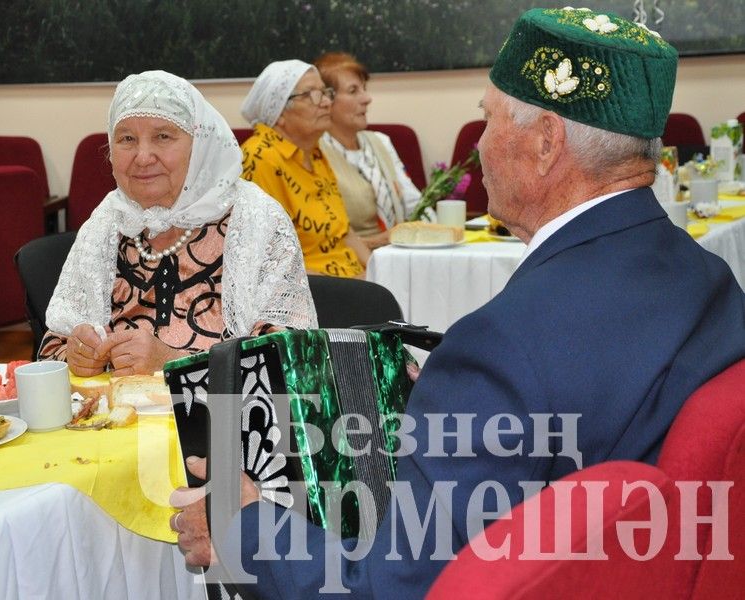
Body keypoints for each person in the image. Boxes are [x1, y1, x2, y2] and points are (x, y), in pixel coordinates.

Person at [171, 8, 745, 597]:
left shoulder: (503, 351)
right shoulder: (706, 275)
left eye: (487, 119)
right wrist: (457, 407)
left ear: (546, 142)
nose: (480, 145)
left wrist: (242, 523)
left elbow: (384, 588)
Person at [41, 70, 317, 376]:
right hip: (116, 415)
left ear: (199, 145)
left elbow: (292, 363)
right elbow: (52, 347)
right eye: (127, 139)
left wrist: (175, 364)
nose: (143, 156)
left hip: (221, 419)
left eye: (163, 136)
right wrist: (75, 355)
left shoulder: (257, 219)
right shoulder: (108, 220)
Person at [240, 59, 370, 278]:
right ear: (279, 111)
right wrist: (358, 288)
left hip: (352, 283)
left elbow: (344, 233)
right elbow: (266, 265)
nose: (327, 102)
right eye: (311, 94)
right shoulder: (259, 158)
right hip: (311, 293)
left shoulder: (315, 152)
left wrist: (380, 274)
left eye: (325, 92)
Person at [314, 52, 423, 249]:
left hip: (399, 254)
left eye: (364, 89)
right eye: (353, 91)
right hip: (351, 267)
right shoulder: (314, 151)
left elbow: (415, 205)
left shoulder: (381, 142)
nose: (367, 98)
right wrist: (379, 241)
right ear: (326, 100)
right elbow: (320, 244)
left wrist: (438, 234)